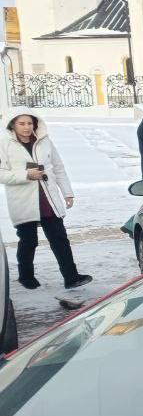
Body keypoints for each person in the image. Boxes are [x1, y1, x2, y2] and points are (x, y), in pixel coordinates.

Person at [0, 113, 92, 290]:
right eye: (22, 123)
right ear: (13, 125)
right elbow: (1, 174)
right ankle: (26, 277)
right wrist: (25, 175)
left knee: (59, 238)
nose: (27, 127)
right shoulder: (4, 143)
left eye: (30, 123)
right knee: (28, 240)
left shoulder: (44, 140)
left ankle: (71, 277)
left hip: (48, 198)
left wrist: (67, 193)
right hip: (23, 200)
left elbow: (58, 167)